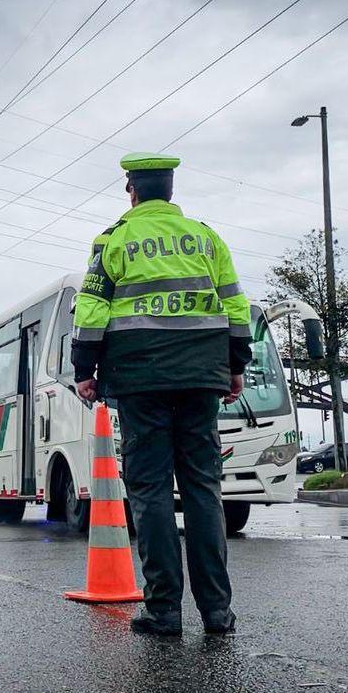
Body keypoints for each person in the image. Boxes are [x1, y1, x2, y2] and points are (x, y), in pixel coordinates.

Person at [70, 152, 253, 637]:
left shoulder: (113, 240)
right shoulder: (206, 238)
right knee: (203, 489)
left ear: (131, 190)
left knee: (150, 492)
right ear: (170, 191)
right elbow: (236, 303)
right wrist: (235, 366)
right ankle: (217, 613)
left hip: (140, 380)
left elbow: (90, 309)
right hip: (200, 378)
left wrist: (84, 369)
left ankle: (165, 611)